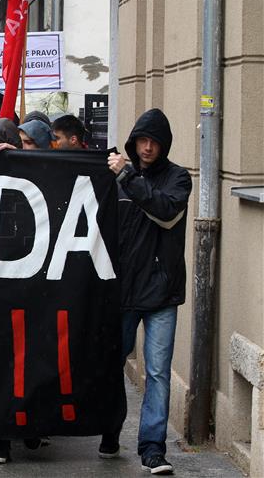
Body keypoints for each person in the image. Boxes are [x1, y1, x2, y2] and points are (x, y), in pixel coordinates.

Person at [104, 108, 191, 475]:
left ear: (164, 145)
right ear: (134, 141)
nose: (147, 147)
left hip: (162, 294)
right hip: (123, 291)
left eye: (154, 141)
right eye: (142, 140)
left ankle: (152, 449)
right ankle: (109, 431)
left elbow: (166, 213)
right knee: (110, 365)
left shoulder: (178, 179)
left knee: (157, 373)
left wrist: (127, 175)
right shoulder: (118, 177)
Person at [0, 119, 49, 464]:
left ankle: (31, 425)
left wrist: (20, 160)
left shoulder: (35, 174)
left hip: (31, 286)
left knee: (30, 362)